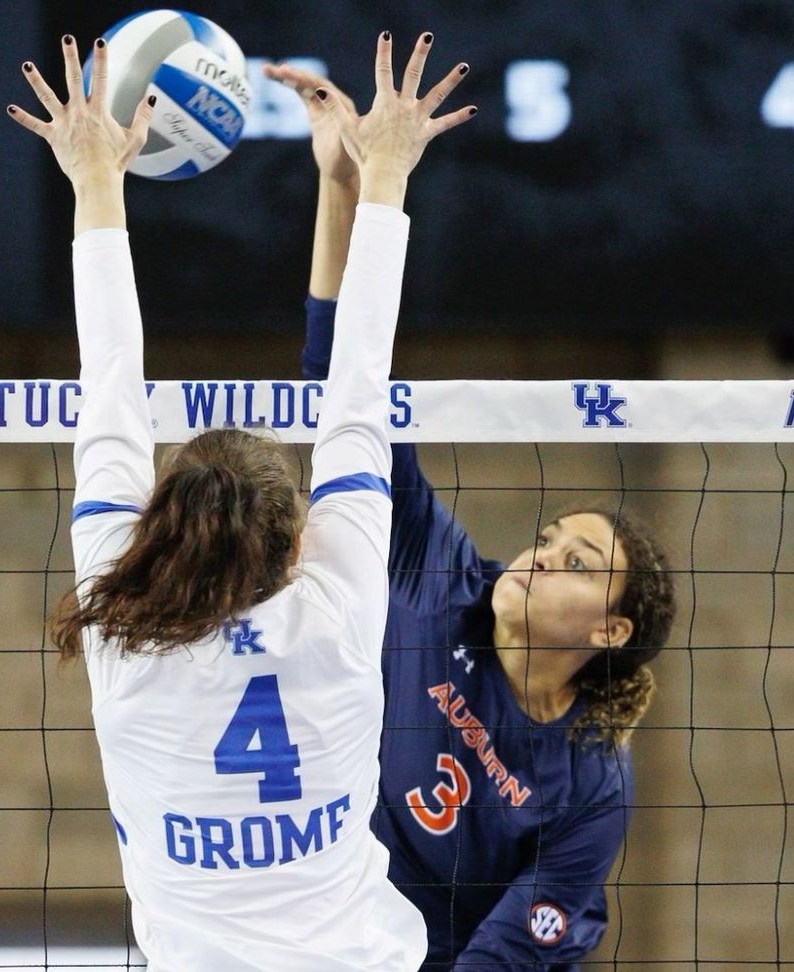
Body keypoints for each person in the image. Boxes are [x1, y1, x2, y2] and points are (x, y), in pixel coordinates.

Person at [9, 30, 475, 972]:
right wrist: (377, 179)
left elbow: (114, 387)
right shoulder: (329, 608)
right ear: (297, 545)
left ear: (159, 528)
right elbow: (349, 391)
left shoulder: (124, 629)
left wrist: (96, 185)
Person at [266, 60, 677, 971]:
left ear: (611, 630)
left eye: (575, 563)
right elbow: (347, 388)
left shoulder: (590, 785)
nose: (536, 556)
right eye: (549, 539)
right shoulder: (435, 576)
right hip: (331, 925)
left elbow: (505, 955)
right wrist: (344, 185)